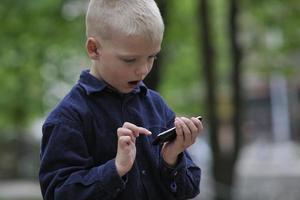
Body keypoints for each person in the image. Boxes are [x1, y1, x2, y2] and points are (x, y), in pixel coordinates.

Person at [39, 0, 203, 199]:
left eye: (152, 57)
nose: (143, 69)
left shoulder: (156, 105)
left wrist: (171, 159)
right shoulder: (68, 118)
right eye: (129, 59)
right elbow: (57, 194)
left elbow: (191, 188)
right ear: (94, 49)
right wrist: (115, 169)